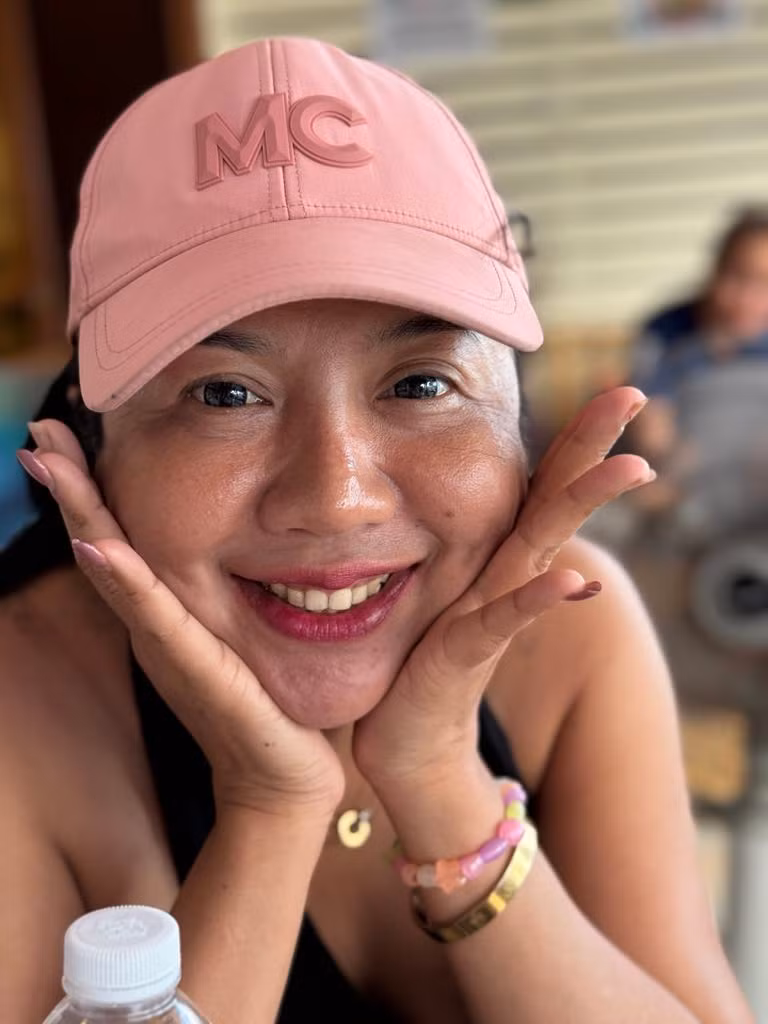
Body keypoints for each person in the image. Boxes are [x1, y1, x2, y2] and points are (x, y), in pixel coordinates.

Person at [0, 37, 752, 1024]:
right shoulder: (26, 695)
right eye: (225, 394)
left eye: (423, 384)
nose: (338, 496)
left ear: (517, 426)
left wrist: (442, 777)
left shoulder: (574, 628)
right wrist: (269, 806)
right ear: (94, 448)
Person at [625, 208, 768, 538]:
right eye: (737, 277)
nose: (747, 298)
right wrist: (668, 468)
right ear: (714, 270)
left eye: (764, 284)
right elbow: (652, 424)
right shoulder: (668, 331)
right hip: (687, 481)